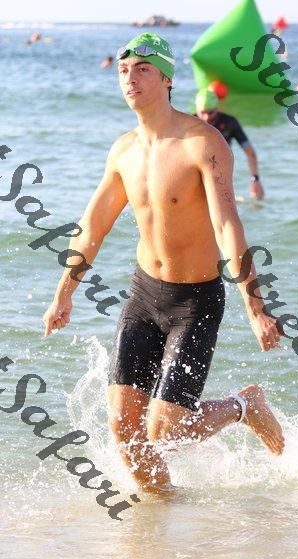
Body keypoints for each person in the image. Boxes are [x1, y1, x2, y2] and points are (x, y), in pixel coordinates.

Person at [42, 32, 284, 496]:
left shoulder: (203, 142)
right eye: (123, 70)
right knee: (124, 431)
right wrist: (63, 295)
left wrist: (255, 308)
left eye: (142, 69)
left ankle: (243, 406)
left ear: (167, 78)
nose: (129, 78)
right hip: (144, 295)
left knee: (165, 431)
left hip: (195, 301)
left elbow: (228, 226)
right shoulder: (124, 150)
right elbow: (92, 226)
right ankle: (160, 520)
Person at [194, 89, 265, 200]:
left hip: (220, 171)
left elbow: (250, 152)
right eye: (203, 113)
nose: (207, 117)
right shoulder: (190, 124)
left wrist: (255, 180)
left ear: (217, 108)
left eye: (211, 112)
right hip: (196, 171)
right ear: (197, 110)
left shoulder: (229, 122)